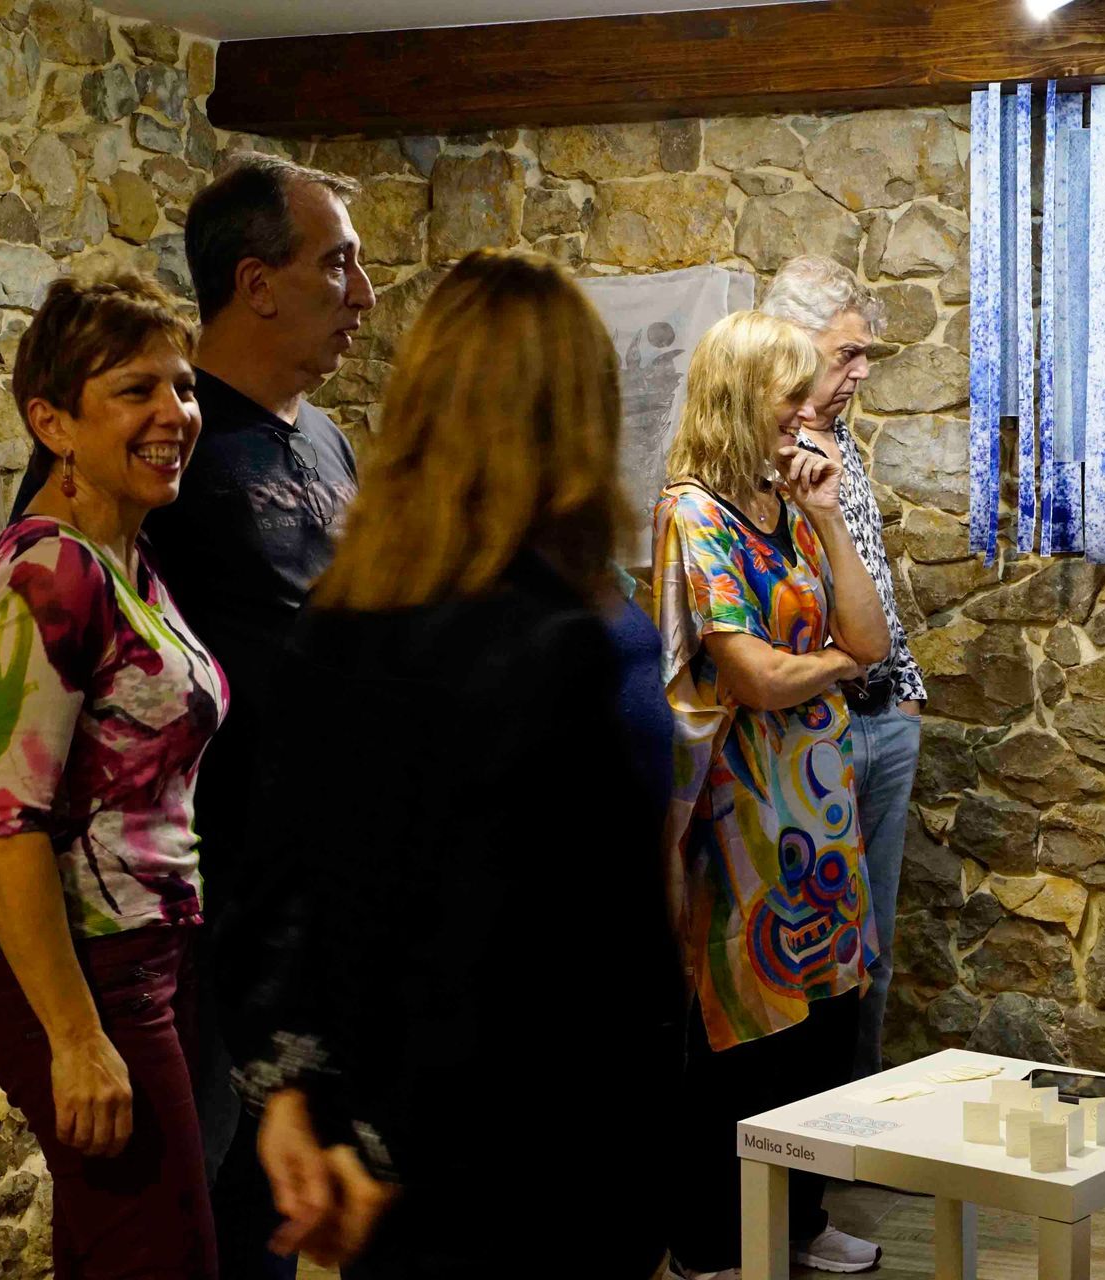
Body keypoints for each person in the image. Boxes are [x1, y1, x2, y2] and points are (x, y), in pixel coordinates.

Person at [0, 150, 372, 1280]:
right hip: (122, 943)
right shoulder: (65, 550)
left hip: (205, 920)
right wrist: (67, 1017)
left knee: (172, 1235)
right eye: (339, 263)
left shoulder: (150, 540)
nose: (174, 413)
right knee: (178, 1242)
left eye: (179, 388)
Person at [226, 251, 680, 1278]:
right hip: (535, 1167)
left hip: (379, 1163)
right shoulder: (568, 646)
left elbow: (278, 893)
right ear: (579, 416)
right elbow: (573, 961)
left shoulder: (333, 623)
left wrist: (300, 1101)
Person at [0, 274, 227, 1277]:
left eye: (184, 386)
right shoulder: (54, 571)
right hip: (91, 974)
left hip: (147, 955)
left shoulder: (121, 556)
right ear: (52, 422)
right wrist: (75, 1037)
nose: (175, 414)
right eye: (135, 390)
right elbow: (4, 822)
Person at [656, 311, 892, 1280]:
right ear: (737, 397)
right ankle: (713, 1242)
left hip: (820, 813)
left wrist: (829, 515)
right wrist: (833, 663)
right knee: (744, 1037)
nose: (807, 410)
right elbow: (751, 677)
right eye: (790, 393)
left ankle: (798, 1221)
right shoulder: (693, 513)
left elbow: (872, 637)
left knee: (825, 1026)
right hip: (740, 818)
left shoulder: (792, 505)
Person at [759, 257, 928, 1082]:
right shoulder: (757, 453)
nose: (861, 372)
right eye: (847, 354)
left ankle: (856, 1123)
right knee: (807, 955)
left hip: (885, 718)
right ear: (791, 345)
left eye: (865, 355)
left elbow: (872, 577)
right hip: (809, 727)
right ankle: (798, 1135)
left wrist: (905, 692)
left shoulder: (843, 441)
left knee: (874, 952)